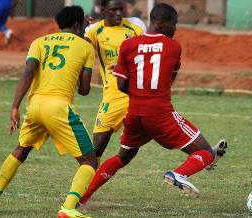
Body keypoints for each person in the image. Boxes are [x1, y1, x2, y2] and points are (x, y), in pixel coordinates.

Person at [78, 3, 228, 204]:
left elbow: (121, 83)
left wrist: (138, 93)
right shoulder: (173, 46)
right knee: (205, 151)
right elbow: (167, 81)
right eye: (173, 25)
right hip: (159, 112)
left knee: (123, 157)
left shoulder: (128, 45)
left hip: (135, 111)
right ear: (160, 22)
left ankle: (81, 198)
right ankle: (181, 173)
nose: (175, 29)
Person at [0, 6, 97, 218]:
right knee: (90, 162)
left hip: (34, 106)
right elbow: (84, 90)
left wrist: (15, 106)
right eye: (83, 24)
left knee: (21, 150)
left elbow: (28, 71)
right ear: (77, 25)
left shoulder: (39, 42)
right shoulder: (86, 47)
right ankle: (68, 207)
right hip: (58, 108)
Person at [79, 0, 145, 204]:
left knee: (134, 149)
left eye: (121, 9)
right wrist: (80, 28)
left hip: (137, 95)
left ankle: (202, 155)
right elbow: (78, 48)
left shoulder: (136, 26)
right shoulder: (94, 31)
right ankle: (81, 194)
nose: (118, 13)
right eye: (113, 9)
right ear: (103, 10)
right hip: (113, 96)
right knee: (95, 149)